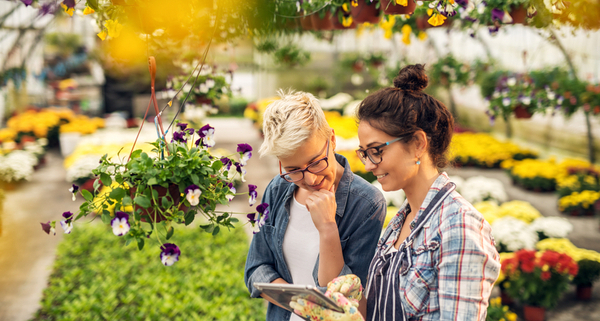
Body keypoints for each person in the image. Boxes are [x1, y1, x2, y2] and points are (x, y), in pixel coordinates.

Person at [291, 64, 501, 320]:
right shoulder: (400, 222)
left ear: (418, 144)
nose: (368, 165)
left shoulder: (459, 228)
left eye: (377, 150)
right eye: (364, 153)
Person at [244, 90, 387, 321]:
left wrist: (328, 228)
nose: (310, 179)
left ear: (331, 139)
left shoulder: (367, 204)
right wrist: (304, 307)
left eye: (315, 162)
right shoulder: (277, 189)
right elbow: (255, 269)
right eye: (293, 170)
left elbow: (347, 303)